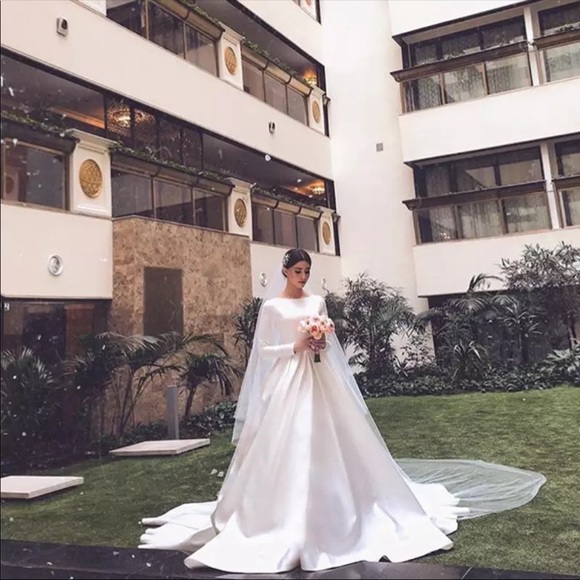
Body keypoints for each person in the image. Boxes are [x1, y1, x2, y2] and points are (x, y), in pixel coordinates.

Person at [139, 248, 546, 573]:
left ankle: (350, 508)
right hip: (289, 381)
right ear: (285, 271)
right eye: (297, 271)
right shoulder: (272, 308)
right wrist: (297, 346)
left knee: (336, 437)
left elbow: (328, 341)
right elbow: (263, 352)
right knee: (289, 441)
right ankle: (278, 518)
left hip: (320, 378)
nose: (303, 277)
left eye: (306, 271)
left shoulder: (317, 301)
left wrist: (320, 342)